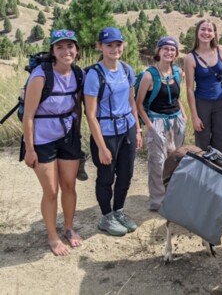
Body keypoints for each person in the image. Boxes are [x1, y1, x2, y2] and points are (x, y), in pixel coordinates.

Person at [21, 29, 84, 256]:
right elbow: (28, 116)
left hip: (68, 136)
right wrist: (29, 149)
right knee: (51, 190)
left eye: (70, 46)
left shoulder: (78, 74)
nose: (66, 51)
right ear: (53, 51)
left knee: (69, 185)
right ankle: (52, 236)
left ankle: (68, 227)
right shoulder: (40, 76)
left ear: (77, 50)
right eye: (60, 47)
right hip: (42, 139)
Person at [84, 27, 142, 237]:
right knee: (106, 176)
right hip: (106, 133)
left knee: (126, 174)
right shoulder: (94, 75)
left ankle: (119, 211)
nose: (114, 49)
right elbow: (90, 115)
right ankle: (106, 216)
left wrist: (137, 130)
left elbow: (131, 102)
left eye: (118, 44)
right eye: (109, 45)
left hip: (126, 128)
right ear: (100, 46)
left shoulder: (127, 70)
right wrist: (101, 147)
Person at [136, 36, 187, 211]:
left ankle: (172, 196)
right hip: (157, 120)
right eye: (165, 48)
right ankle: (158, 201)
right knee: (157, 162)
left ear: (176, 53)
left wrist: (184, 115)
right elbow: (138, 103)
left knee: (175, 160)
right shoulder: (150, 75)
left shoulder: (178, 73)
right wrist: (149, 125)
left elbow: (177, 97)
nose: (169, 52)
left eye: (172, 49)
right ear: (158, 51)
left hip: (176, 121)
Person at [184, 19, 222, 155]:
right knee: (202, 144)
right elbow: (189, 88)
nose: (206, 32)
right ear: (197, 32)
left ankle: (218, 174)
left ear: (214, 34)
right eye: (203, 29)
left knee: (220, 141)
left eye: (209, 30)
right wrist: (194, 116)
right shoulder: (190, 58)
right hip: (202, 104)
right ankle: (202, 175)